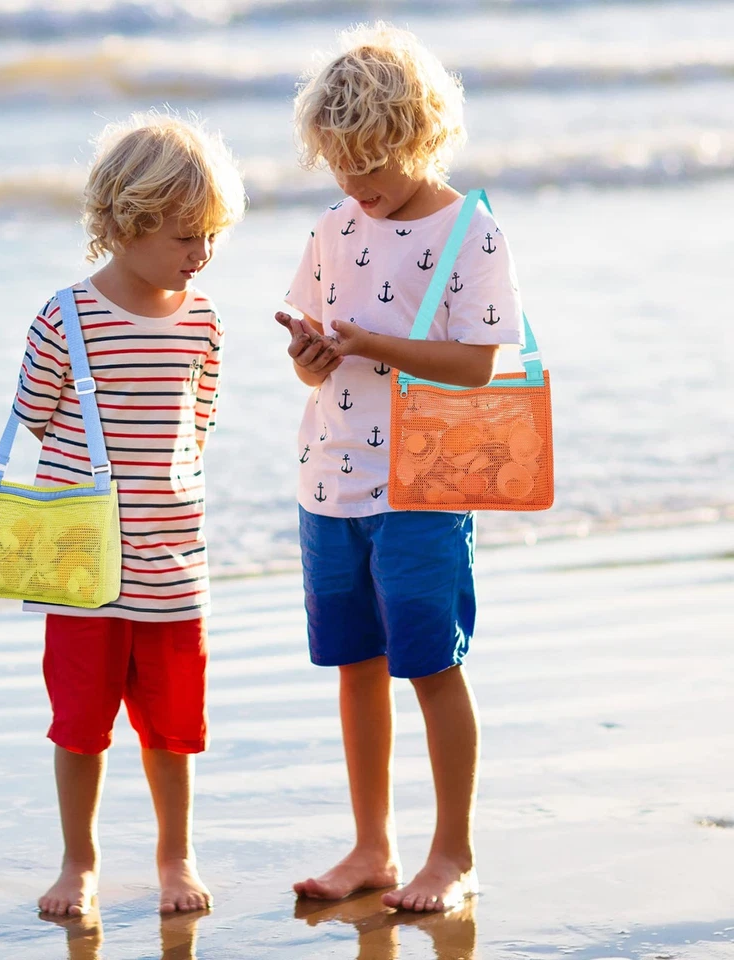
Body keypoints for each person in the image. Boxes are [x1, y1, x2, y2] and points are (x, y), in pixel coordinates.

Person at [276, 23, 524, 912]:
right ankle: (371, 847)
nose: (356, 186)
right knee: (356, 662)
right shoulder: (337, 225)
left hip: (426, 477)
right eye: (340, 166)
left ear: (420, 139)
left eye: (371, 165)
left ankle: (451, 853)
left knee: (430, 662)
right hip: (331, 473)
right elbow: (314, 343)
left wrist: (374, 343)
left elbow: (479, 364)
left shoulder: (472, 231)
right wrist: (311, 356)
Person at [9, 112, 245, 917]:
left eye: (209, 236)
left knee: (174, 726)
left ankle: (175, 857)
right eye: (184, 237)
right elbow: (34, 417)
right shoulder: (66, 317)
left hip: (175, 558)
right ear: (124, 224)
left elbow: (199, 423)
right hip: (82, 564)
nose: (200, 254)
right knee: (79, 723)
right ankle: (79, 862)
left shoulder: (205, 321)